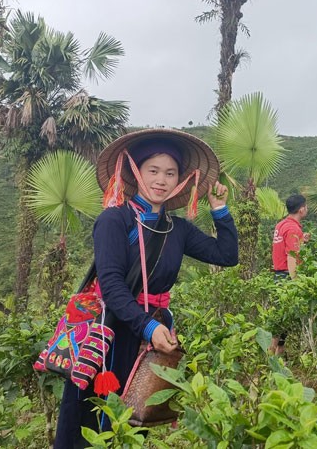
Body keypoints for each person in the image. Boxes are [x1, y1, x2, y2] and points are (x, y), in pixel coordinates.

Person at [54, 129, 238, 448]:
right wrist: (149, 326)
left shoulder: (177, 229)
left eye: (170, 173)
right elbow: (111, 286)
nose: (161, 180)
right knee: (92, 423)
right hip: (110, 333)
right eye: (153, 170)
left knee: (135, 419)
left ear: (181, 180)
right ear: (136, 172)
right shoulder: (115, 221)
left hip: (147, 339)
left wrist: (220, 210)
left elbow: (227, 255)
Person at [270, 194, 309, 354]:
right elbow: (291, 256)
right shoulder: (293, 228)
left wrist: (301, 239)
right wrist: (295, 281)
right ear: (301, 210)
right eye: (306, 206)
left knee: (282, 316)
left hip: (278, 273)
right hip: (286, 275)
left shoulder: (282, 225)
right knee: (281, 317)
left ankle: (280, 351)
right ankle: (271, 353)